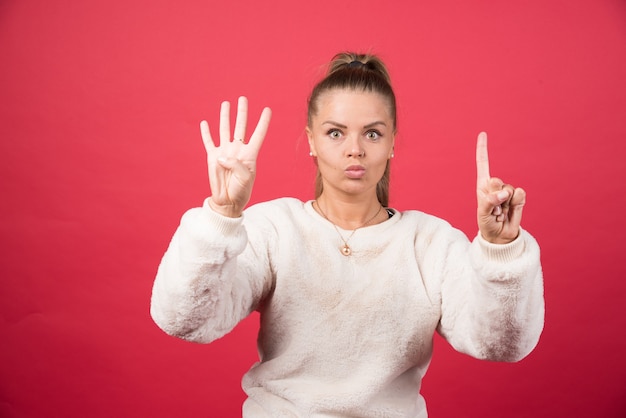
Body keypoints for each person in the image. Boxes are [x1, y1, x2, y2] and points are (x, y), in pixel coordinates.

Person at [150, 52, 545, 418]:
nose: (354, 149)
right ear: (311, 140)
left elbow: (501, 345)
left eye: (372, 134)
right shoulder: (274, 227)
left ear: (391, 142)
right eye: (335, 133)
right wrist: (222, 215)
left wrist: (500, 250)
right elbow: (185, 320)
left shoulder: (430, 242)